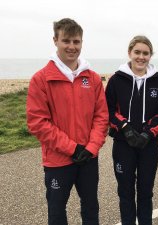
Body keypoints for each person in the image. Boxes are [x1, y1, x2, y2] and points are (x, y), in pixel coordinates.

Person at [26, 18, 109, 225]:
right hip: (58, 160)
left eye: (76, 41)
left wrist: (91, 148)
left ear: (82, 43)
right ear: (55, 40)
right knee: (56, 211)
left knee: (91, 207)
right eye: (66, 41)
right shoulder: (41, 79)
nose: (72, 47)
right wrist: (72, 148)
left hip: (88, 158)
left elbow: (101, 117)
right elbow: (38, 122)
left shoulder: (93, 78)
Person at [105, 35, 158, 225]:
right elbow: (107, 109)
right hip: (122, 145)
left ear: (150, 55)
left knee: (145, 192)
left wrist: (148, 133)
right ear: (130, 53)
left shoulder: (157, 80)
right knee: (125, 192)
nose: (141, 57)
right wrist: (124, 127)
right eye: (137, 52)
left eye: (145, 53)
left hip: (148, 146)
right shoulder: (116, 80)